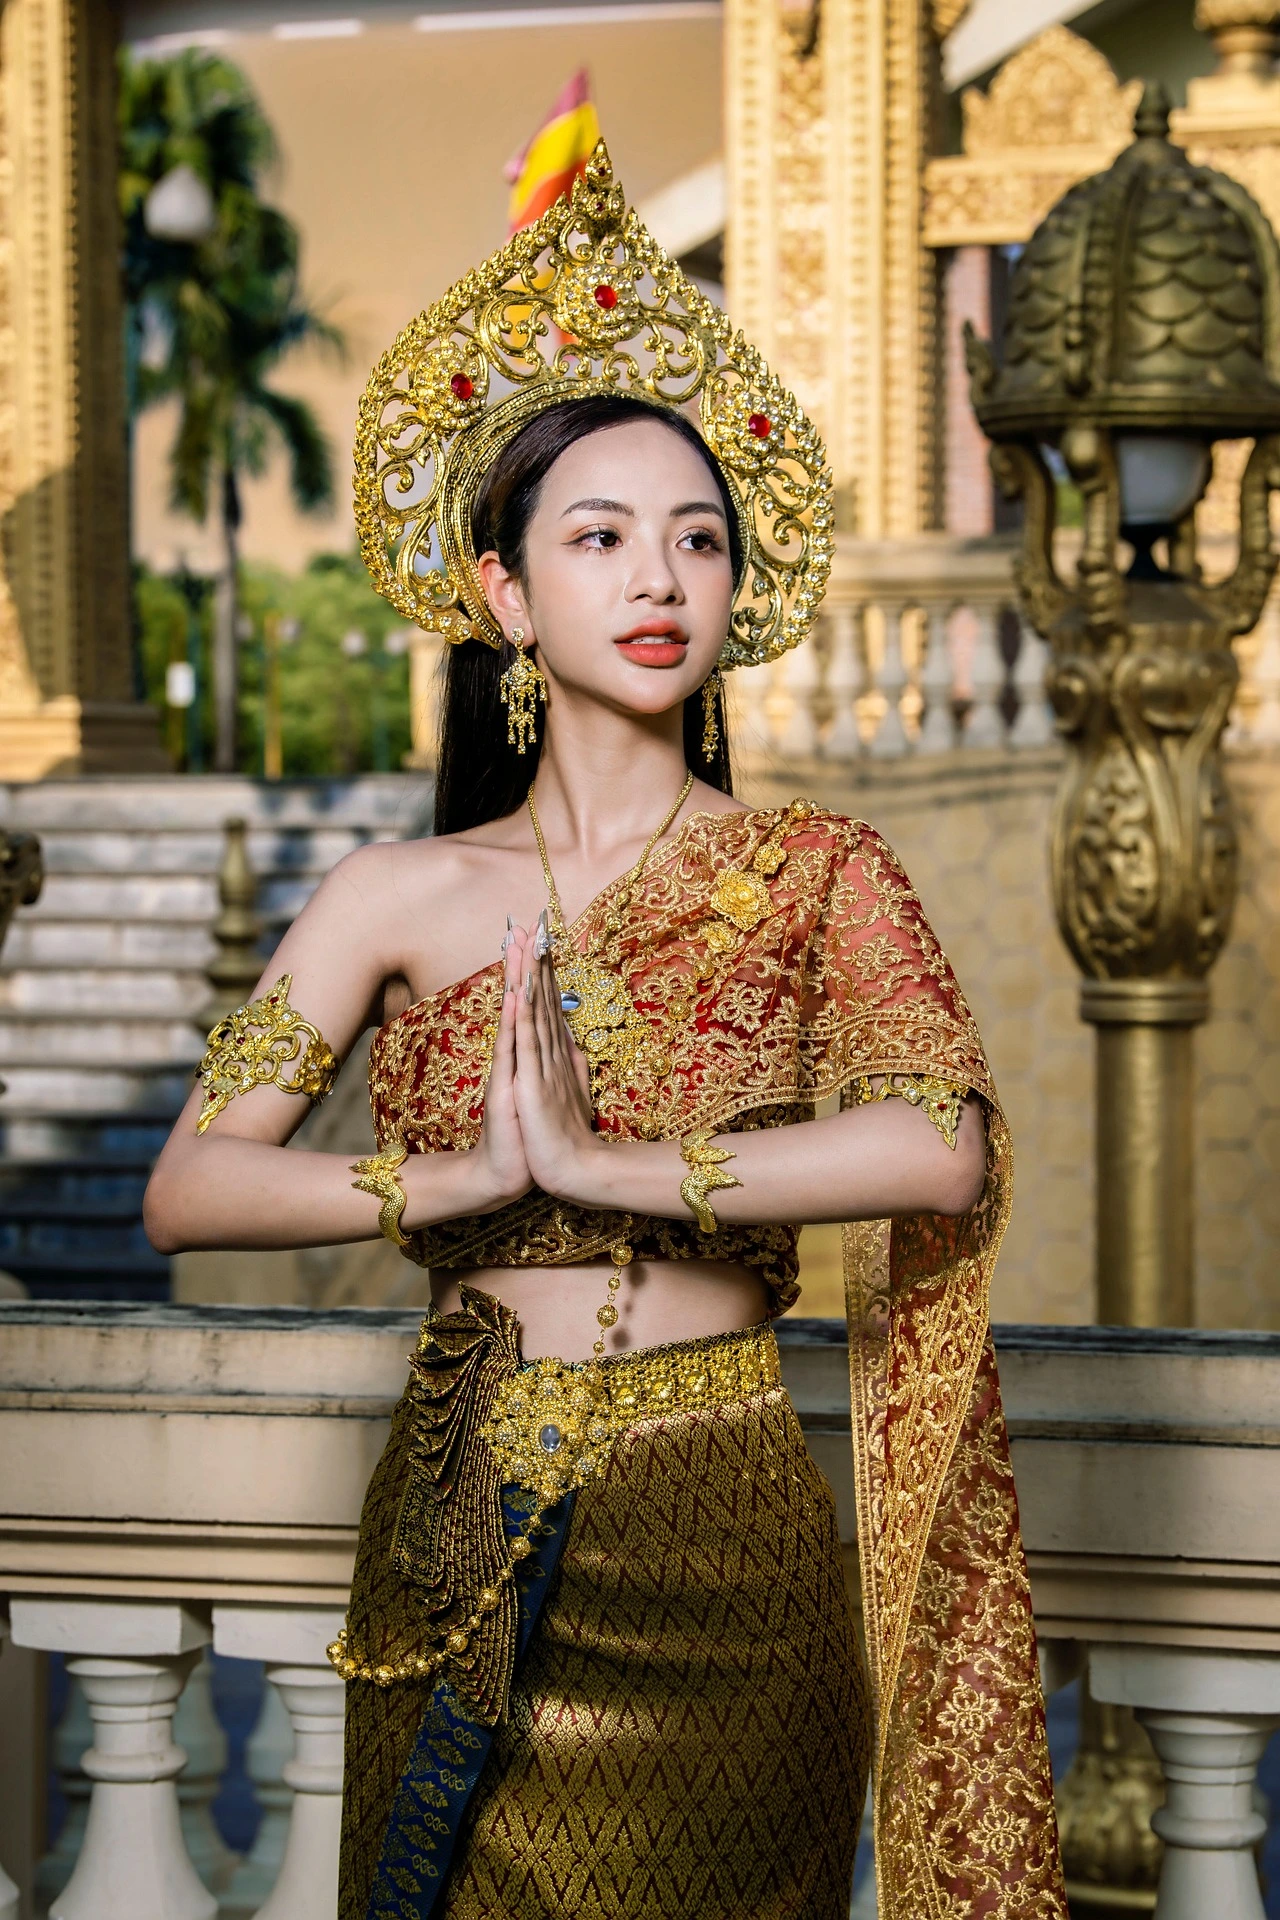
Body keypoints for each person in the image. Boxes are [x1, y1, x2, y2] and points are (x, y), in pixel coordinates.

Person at [145, 143, 1066, 1920]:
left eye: (698, 539)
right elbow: (193, 1189)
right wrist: (462, 1179)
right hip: (461, 1525)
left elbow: (938, 1145)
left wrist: (606, 1163)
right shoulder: (391, 895)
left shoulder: (816, 868)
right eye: (602, 536)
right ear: (503, 595)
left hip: (728, 1535)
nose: (661, 577)